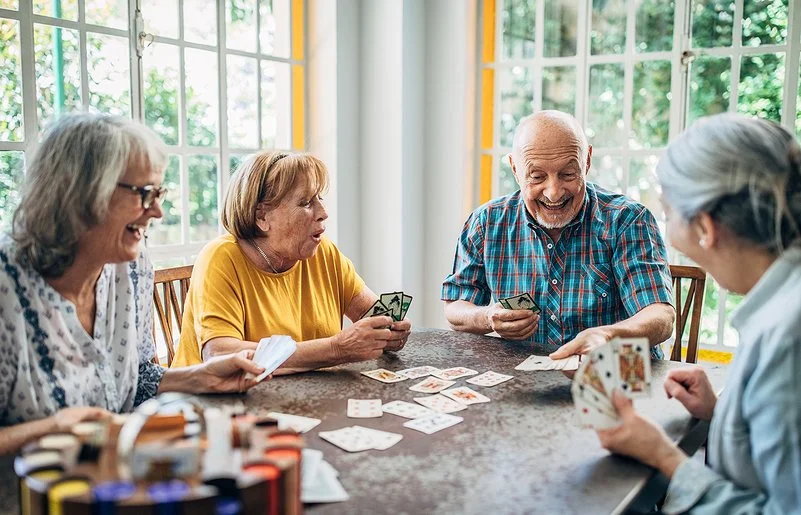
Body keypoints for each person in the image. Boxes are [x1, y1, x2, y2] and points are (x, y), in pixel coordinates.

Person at [0, 113, 269, 455]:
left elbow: (137, 378)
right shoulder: (6, 286)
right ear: (79, 193)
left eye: (159, 192)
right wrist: (51, 429)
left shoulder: (133, 266)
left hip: (111, 482)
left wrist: (199, 376)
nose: (157, 211)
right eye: (144, 193)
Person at [596, 114, 801, 513]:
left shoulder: (787, 333)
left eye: (669, 214)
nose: (668, 230)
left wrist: (665, 457)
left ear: (705, 227)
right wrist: (724, 413)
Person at [442, 110, 674, 358]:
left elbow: (661, 317)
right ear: (514, 169)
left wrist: (607, 336)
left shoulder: (627, 220)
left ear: (586, 162)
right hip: (524, 382)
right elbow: (456, 306)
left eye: (567, 174)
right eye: (537, 176)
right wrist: (487, 317)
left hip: (613, 376)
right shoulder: (485, 222)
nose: (553, 193)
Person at [170, 151, 411, 371]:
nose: (323, 212)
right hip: (214, 408)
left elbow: (371, 314)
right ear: (262, 217)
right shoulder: (221, 257)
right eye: (306, 203)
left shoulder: (323, 251)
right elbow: (220, 353)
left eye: (319, 198)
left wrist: (390, 332)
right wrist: (336, 349)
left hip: (301, 401)